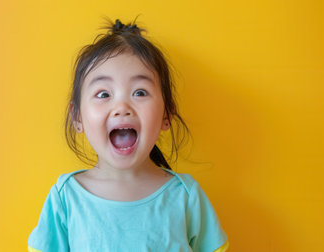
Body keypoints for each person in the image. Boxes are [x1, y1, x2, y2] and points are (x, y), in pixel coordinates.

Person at [27, 18, 229, 252]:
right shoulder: (66, 198)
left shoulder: (186, 197)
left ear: (167, 114)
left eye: (140, 92)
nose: (122, 106)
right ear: (78, 117)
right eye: (103, 94)